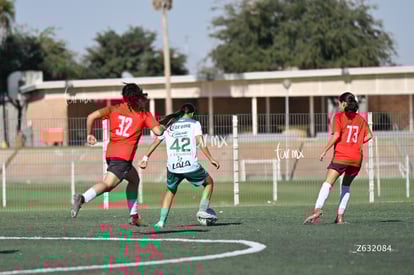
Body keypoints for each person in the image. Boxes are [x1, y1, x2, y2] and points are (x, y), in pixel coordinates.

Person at [71, 83, 165, 226]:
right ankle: (82, 198)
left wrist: (89, 134)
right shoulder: (144, 114)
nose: (143, 100)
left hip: (111, 155)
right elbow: (158, 132)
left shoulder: (114, 108)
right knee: (108, 184)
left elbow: (90, 116)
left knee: (134, 179)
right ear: (137, 98)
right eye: (140, 97)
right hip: (123, 158)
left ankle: (134, 216)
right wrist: (163, 126)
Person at [139, 103, 220, 229]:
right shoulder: (195, 124)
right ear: (192, 113)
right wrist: (211, 159)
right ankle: (203, 210)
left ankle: (161, 222)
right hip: (190, 165)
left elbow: (156, 141)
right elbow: (201, 143)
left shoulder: (169, 125)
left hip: (173, 166)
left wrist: (145, 158)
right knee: (209, 183)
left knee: (170, 191)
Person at [304, 92, 372, 224]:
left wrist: (324, 150)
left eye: (339, 103)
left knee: (327, 183)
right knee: (346, 186)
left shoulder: (339, 117)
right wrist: (356, 143)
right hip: (356, 159)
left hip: (341, 157)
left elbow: (336, 136)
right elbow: (369, 136)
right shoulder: (361, 119)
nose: (338, 106)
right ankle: (340, 217)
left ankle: (317, 210)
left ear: (344, 104)